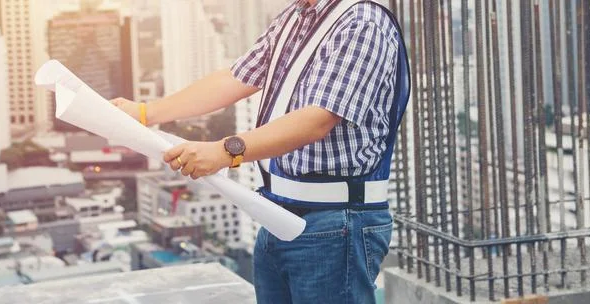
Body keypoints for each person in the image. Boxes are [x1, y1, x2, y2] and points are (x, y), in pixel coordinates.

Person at [112, 0, 409, 302]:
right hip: (278, 214)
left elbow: (317, 119)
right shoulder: (296, 17)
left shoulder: (361, 21)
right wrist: (146, 113)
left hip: (335, 224)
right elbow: (236, 78)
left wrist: (225, 151)